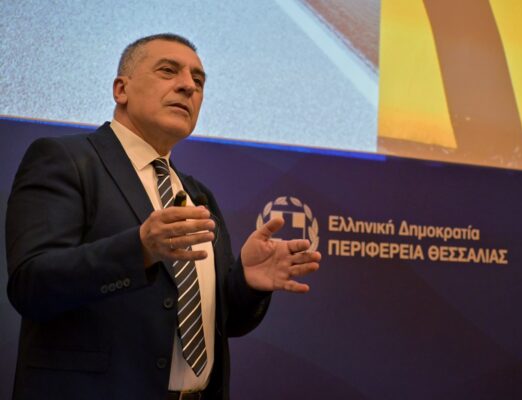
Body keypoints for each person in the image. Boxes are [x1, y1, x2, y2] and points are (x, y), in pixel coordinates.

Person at [5, 33, 320, 400]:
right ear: (121, 89)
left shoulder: (197, 195)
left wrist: (248, 283)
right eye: (168, 71)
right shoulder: (65, 160)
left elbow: (221, 324)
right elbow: (32, 286)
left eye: (198, 80)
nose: (188, 86)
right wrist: (138, 249)